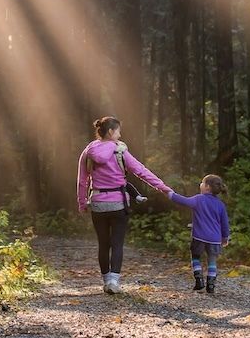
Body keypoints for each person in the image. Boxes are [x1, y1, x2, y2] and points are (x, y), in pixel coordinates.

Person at [77, 116, 172, 294]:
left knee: (103, 244)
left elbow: (82, 180)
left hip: (98, 203)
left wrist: (82, 202)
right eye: (119, 131)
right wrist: (163, 188)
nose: (120, 135)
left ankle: (106, 281)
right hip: (118, 204)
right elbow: (141, 171)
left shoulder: (88, 151)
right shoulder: (120, 151)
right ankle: (114, 281)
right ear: (111, 132)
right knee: (117, 243)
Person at [168, 174, 230, 294]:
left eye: (202, 182)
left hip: (199, 237)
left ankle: (199, 280)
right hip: (215, 239)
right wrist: (225, 237)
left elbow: (183, 201)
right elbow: (225, 223)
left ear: (206, 187)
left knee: (195, 257)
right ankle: (211, 285)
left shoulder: (198, 199)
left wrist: (170, 194)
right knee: (212, 260)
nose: (200, 184)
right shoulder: (220, 205)